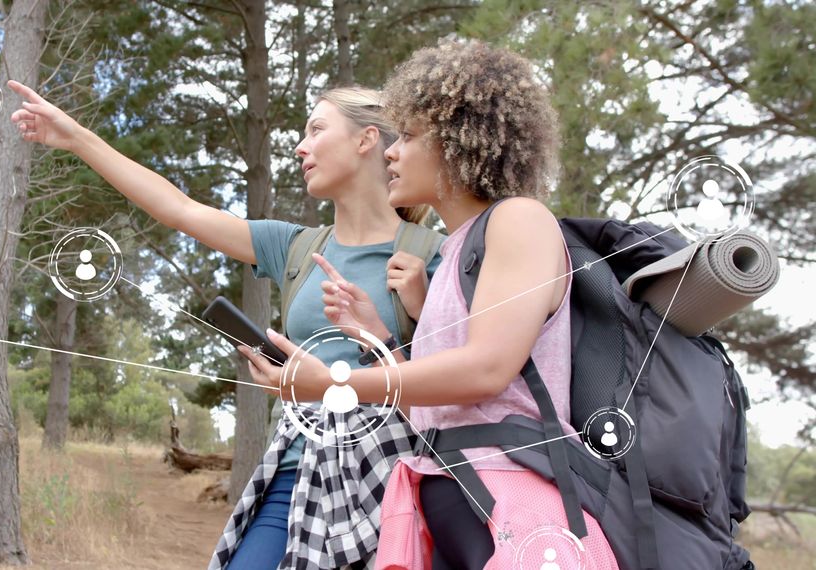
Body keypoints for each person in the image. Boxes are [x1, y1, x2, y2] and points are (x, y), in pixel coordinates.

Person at [6, 81, 444, 569]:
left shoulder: (433, 255)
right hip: (297, 470)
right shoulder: (294, 248)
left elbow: (455, 390)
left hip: (394, 482)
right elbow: (180, 210)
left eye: (316, 129)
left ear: (366, 140)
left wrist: (418, 311)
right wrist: (77, 138)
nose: (301, 146)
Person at [239, 40, 619, 569]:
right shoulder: (453, 252)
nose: (392, 151)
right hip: (448, 498)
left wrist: (332, 384)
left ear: (458, 140)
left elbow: (487, 369)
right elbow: (429, 407)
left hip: (514, 503)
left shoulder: (519, 219)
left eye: (410, 136)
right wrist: (379, 338)